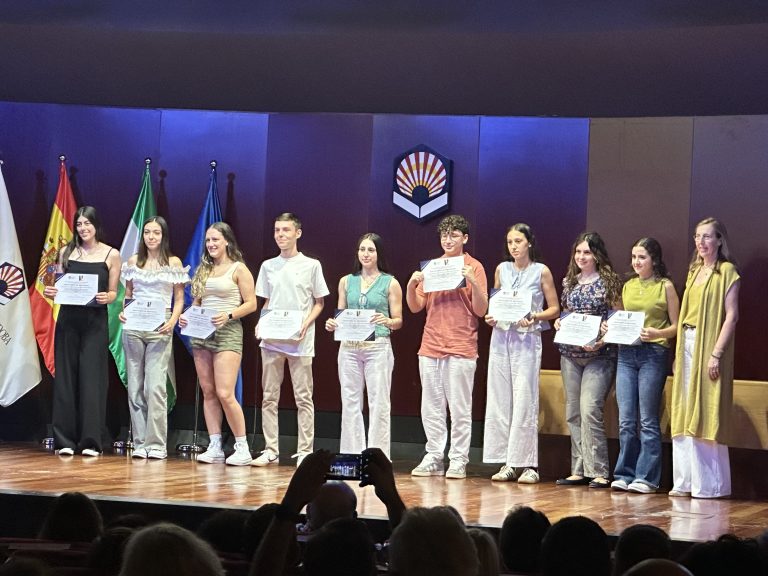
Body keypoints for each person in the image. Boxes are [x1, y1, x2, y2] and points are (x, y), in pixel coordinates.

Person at [406, 214, 488, 479]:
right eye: (444, 235)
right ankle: (433, 455)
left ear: (465, 238)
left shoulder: (474, 266)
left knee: (460, 408)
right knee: (431, 406)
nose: (448, 240)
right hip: (431, 344)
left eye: (454, 235)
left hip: (461, 345)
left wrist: (472, 281)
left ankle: (458, 459)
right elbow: (416, 306)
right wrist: (411, 285)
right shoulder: (433, 267)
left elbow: (481, 310)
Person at [483, 223, 559, 483]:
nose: (513, 246)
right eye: (509, 242)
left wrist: (534, 316)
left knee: (525, 397)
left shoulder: (541, 271)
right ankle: (507, 461)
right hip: (501, 337)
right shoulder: (501, 269)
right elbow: (495, 303)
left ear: (529, 242)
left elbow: (554, 309)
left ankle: (528, 464)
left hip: (526, 338)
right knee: (500, 397)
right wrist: (491, 317)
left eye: (518, 241)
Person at [669, 217, 740, 499]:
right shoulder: (694, 270)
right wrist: (678, 353)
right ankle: (685, 481)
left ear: (719, 240)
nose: (701, 242)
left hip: (708, 344)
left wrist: (716, 354)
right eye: (698, 236)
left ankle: (710, 485)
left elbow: (731, 316)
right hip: (687, 342)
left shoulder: (727, 271)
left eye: (707, 236)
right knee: (685, 409)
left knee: (706, 410)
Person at [43, 206, 121, 457]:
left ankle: (90, 441)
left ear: (96, 225)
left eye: (88, 223)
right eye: (79, 224)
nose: (83, 228)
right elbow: (54, 285)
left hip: (94, 323)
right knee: (65, 379)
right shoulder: (65, 252)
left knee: (92, 380)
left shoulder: (111, 254)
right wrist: (52, 291)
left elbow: (113, 292)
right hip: (68, 321)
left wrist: (107, 297)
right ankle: (64, 440)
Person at [253, 213, 329, 467]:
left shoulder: (312, 265)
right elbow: (267, 301)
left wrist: (306, 322)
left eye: (286, 230)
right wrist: (261, 323)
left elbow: (319, 302)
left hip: (300, 340)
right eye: (277, 230)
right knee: (269, 397)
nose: (280, 235)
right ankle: (270, 449)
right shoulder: (268, 266)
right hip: (272, 340)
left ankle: (305, 450)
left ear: (298, 233)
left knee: (303, 397)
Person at [180, 222, 257, 466]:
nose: (211, 244)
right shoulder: (203, 269)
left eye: (215, 240)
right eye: (208, 240)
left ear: (227, 241)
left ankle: (242, 446)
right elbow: (197, 303)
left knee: (225, 392)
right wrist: (187, 317)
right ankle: (215, 445)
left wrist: (229, 315)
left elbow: (251, 303)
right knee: (208, 390)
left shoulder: (238, 268)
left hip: (227, 332)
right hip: (201, 333)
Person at [609, 238, 679, 494]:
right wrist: (610, 326)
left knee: (648, 419)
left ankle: (647, 477)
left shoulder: (665, 286)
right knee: (626, 419)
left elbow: (676, 326)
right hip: (627, 353)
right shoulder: (628, 286)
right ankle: (624, 473)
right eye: (634, 257)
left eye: (642, 257)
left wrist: (657, 333)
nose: (636, 262)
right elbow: (619, 318)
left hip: (653, 353)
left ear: (654, 260)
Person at [324, 232, 403, 458]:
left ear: (379, 253)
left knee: (379, 402)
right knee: (350, 401)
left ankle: (377, 457)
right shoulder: (346, 281)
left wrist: (387, 321)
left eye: (371, 250)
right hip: (349, 346)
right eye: (362, 249)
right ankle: (351, 454)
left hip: (377, 346)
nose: (365, 254)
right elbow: (341, 314)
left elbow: (398, 321)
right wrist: (332, 323)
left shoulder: (390, 282)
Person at [554, 232, 621, 489]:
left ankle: (599, 470)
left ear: (597, 255)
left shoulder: (608, 282)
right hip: (570, 355)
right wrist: (560, 322)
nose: (581, 257)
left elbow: (618, 318)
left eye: (587, 252)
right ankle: (578, 469)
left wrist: (602, 339)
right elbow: (567, 313)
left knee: (590, 409)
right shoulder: (569, 281)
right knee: (573, 412)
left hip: (599, 356)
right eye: (578, 252)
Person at [119, 216, 189, 460]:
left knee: (155, 386)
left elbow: (179, 298)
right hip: (134, 326)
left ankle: (157, 443)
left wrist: (173, 321)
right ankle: (139, 443)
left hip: (161, 326)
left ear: (163, 235)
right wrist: (124, 311)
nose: (151, 236)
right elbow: (128, 293)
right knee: (135, 386)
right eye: (147, 232)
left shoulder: (173, 262)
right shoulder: (133, 261)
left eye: (156, 232)